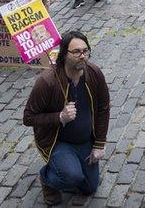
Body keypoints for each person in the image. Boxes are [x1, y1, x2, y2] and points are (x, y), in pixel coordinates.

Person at [23, 31, 109, 205]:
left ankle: (71, 166)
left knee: (90, 187)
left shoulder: (94, 73)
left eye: (86, 51)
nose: (82, 56)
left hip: (85, 140)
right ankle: (47, 179)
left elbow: (103, 109)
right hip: (59, 142)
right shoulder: (47, 82)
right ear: (64, 54)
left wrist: (99, 143)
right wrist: (59, 117)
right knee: (71, 176)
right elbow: (28, 118)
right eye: (76, 52)